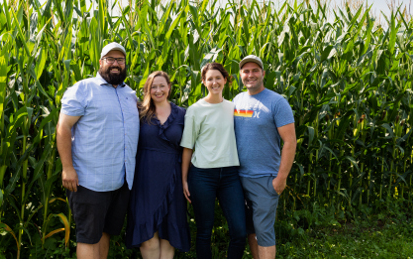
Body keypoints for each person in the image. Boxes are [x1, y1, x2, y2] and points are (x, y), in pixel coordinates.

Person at [56, 42, 140, 259]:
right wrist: (67, 168)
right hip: (89, 181)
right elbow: (63, 127)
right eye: (110, 59)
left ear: (124, 64)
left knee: (105, 234)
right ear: (101, 62)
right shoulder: (83, 89)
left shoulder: (130, 95)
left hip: (121, 182)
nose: (115, 64)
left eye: (120, 60)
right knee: (88, 237)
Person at [181, 62, 247, 259]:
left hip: (230, 176)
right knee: (204, 231)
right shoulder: (195, 110)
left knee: (239, 231)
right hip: (202, 175)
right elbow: (187, 147)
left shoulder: (235, 108)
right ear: (203, 82)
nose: (214, 82)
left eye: (218, 78)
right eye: (209, 78)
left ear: (225, 80)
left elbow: (253, 125)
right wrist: (184, 179)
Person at [233, 55, 297, 259]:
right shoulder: (237, 100)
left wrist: (281, 178)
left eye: (254, 70)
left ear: (263, 73)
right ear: (240, 75)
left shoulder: (277, 102)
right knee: (251, 230)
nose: (250, 75)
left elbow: (290, 141)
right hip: (237, 178)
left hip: (265, 179)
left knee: (264, 232)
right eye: (246, 71)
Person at [126, 71, 190, 258]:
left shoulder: (182, 114)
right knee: (147, 234)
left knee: (169, 232)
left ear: (169, 87)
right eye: (153, 86)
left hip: (173, 177)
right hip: (145, 178)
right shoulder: (139, 113)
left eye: (162, 85)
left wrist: (186, 179)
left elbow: (189, 147)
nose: (158, 90)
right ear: (148, 89)